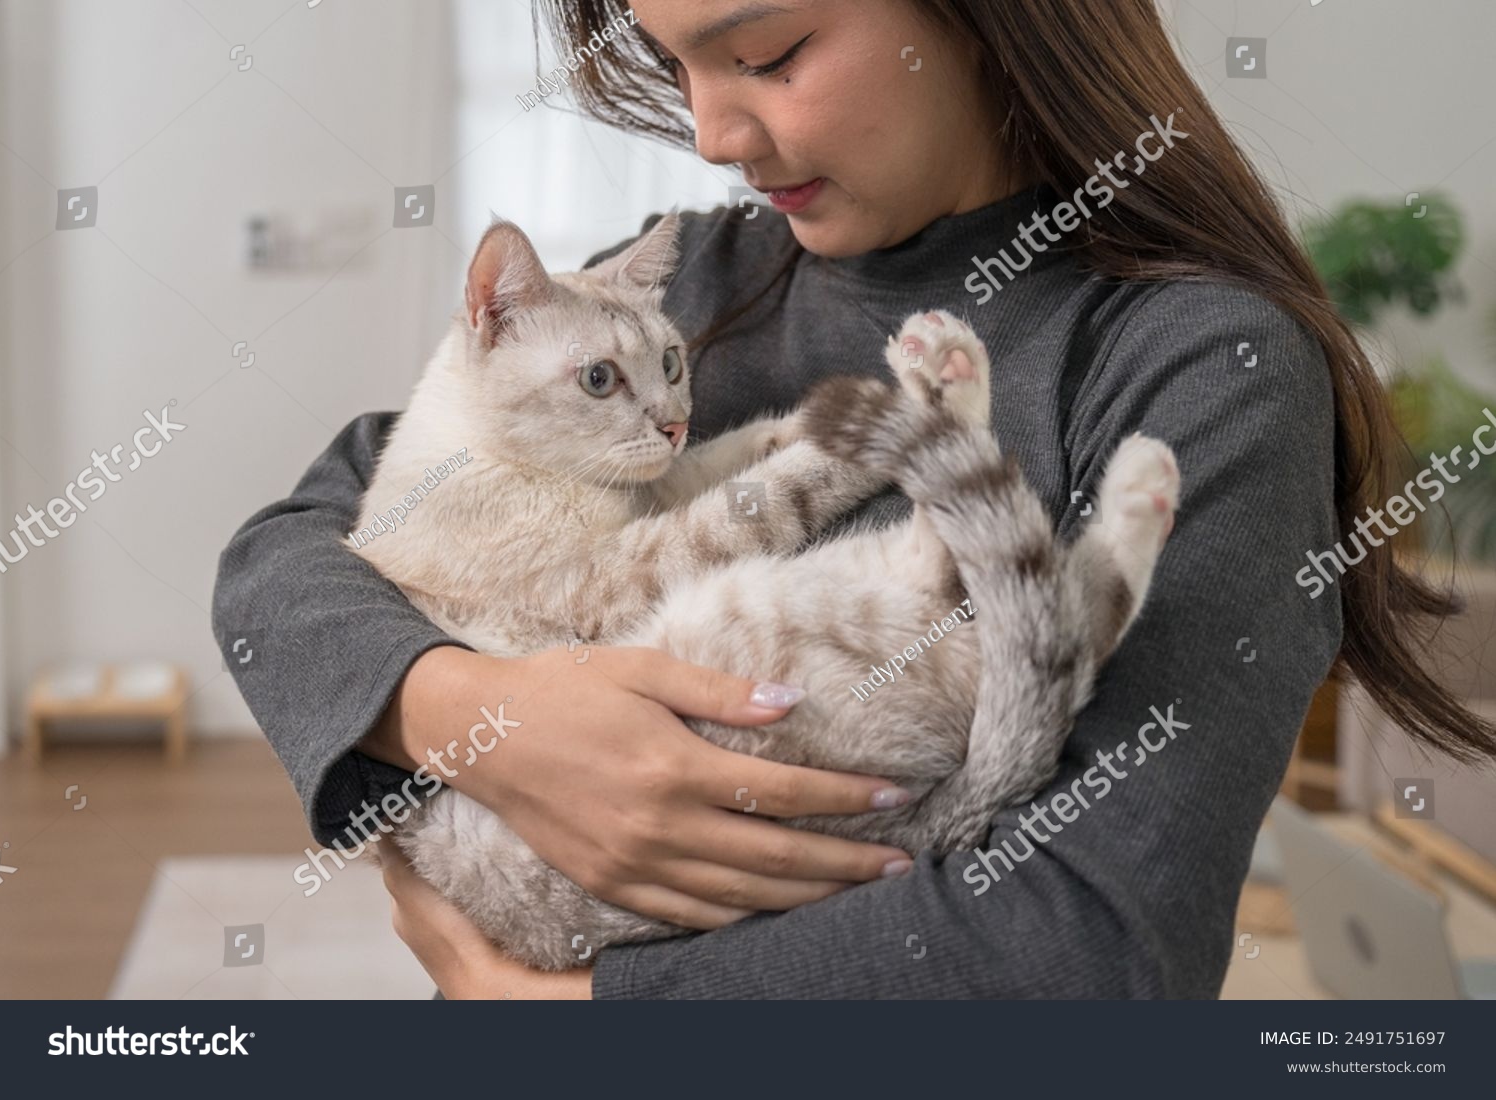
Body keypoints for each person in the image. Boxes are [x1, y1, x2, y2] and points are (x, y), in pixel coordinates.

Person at [213, 0, 1496, 999]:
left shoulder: (1204, 364)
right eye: (673, 66)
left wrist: (570, 1009)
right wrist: (481, 716)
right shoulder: (697, 282)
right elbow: (286, 553)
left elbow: (1099, 944)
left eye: (766, 55)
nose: (711, 132)